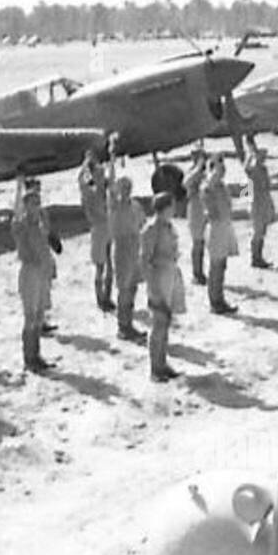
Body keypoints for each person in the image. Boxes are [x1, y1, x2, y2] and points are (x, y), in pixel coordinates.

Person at [10, 175, 58, 373]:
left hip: (41, 271)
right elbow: (16, 212)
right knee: (30, 317)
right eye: (33, 203)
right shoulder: (20, 225)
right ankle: (29, 357)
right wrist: (19, 188)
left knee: (39, 316)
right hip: (29, 271)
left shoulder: (41, 225)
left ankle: (36, 354)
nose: (37, 206)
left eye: (38, 202)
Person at [141, 191, 185, 382]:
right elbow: (145, 261)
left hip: (169, 276)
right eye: (171, 206)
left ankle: (162, 363)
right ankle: (154, 368)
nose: (174, 210)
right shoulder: (151, 229)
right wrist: (154, 289)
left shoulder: (167, 227)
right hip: (158, 278)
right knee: (158, 323)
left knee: (166, 322)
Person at [106, 143, 146, 342]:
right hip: (121, 248)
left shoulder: (136, 205)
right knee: (124, 288)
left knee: (133, 288)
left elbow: (142, 224)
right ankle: (123, 326)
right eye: (123, 188)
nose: (126, 191)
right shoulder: (115, 205)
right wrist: (112, 156)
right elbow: (110, 184)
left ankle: (129, 322)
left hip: (134, 249)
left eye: (128, 188)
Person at [202, 153, 239, 315]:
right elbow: (210, 182)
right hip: (216, 227)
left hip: (225, 226)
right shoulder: (207, 187)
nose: (222, 171)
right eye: (220, 169)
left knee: (222, 265)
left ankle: (220, 298)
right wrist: (213, 166)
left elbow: (239, 193)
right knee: (216, 266)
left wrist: (252, 184)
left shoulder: (222, 186)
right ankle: (215, 301)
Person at [78, 148, 114, 311]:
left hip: (107, 228)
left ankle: (107, 296)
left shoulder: (102, 192)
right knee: (101, 267)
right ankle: (101, 299)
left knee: (109, 264)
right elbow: (81, 180)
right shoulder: (90, 195)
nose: (102, 176)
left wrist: (112, 156)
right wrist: (86, 164)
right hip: (99, 230)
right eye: (99, 173)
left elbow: (111, 177)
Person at [244, 138, 274, 269]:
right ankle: (255, 257)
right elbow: (246, 170)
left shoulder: (264, 169)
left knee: (262, 231)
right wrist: (250, 155)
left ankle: (259, 256)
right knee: (258, 231)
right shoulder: (253, 170)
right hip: (256, 202)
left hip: (264, 200)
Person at [183, 149, 209, 285]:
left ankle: (200, 271)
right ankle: (196, 273)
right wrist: (198, 167)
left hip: (205, 207)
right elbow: (186, 183)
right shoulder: (191, 172)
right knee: (197, 242)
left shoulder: (205, 174)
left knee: (202, 243)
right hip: (195, 208)